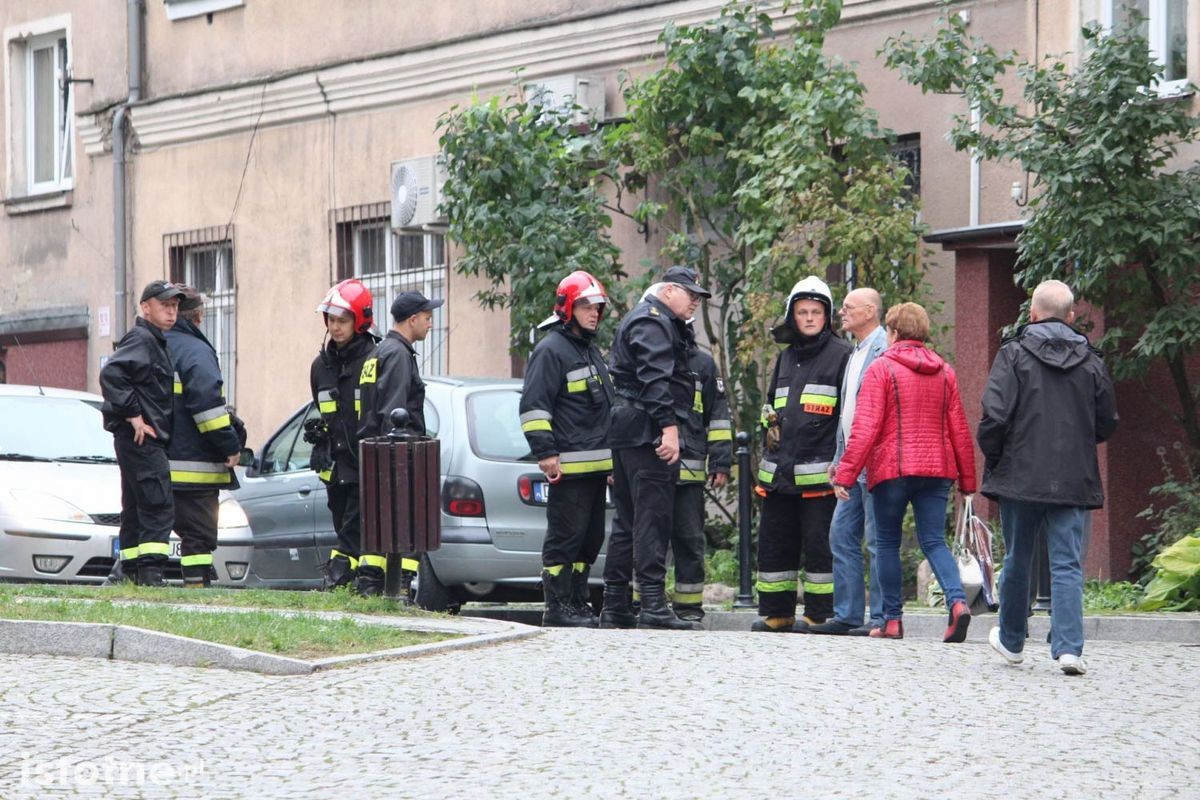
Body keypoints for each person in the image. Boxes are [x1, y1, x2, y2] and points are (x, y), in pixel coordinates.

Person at [979, 280, 1118, 675]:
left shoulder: (1013, 355)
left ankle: (1011, 641)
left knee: (1017, 557)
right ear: (1071, 316)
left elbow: (994, 416)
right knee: (1068, 563)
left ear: (1032, 313)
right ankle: (1069, 648)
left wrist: (997, 455)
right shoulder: (1092, 361)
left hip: (1020, 475)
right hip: (1073, 476)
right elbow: (1106, 421)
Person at [832, 302, 977, 642]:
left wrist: (846, 476)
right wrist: (968, 482)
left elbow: (865, 428)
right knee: (933, 540)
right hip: (937, 471)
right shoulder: (945, 371)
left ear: (893, 333)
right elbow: (959, 429)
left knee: (886, 543)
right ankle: (957, 603)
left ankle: (891, 621)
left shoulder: (881, 369)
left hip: (892, 470)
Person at [605, 265, 711, 630]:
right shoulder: (654, 321)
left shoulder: (652, 318)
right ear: (668, 292)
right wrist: (669, 428)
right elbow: (655, 378)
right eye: (690, 295)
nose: (695, 303)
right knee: (652, 519)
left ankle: (615, 605)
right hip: (647, 430)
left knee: (628, 521)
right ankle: (652, 605)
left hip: (630, 427)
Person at [752, 276, 851, 633]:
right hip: (780, 474)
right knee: (775, 544)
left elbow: (847, 414)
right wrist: (770, 425)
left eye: (816, 312)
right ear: (792, 316)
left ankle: (819, 615)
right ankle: (776, 614)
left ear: (827, 317)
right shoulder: (785, 358)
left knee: (820, 548)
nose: (809, 318)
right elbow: (770, 407)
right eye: (802, 312)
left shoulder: (843, 356)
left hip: (820, 475)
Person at [519, 271, 615, 627]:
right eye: (587, 306)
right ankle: (556, 606)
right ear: (568, 308)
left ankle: (576, 602)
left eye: (598, 307)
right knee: (565, 538)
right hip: (568, 468)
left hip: (594, 468)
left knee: (588, 540)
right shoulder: (550, 351)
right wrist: (546, 453)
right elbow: (533, 409)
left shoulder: (589, 351)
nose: (594, 313)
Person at [810, 288, 888, 636]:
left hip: (875, 464)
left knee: (876, 539)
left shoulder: (884, 349)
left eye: (848, 308)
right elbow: (848, 412)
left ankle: (884, 617)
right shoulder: (855, 351)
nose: (841, 313)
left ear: (870, 311)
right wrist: (839, 459)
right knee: (841, 535)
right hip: (851, 463)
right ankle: (848, 614)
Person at [357, 289, 445, 598]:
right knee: (403, 526)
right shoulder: (397, 355)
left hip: (375, 456)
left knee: (382, 527)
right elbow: (393, 413)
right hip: (395, 458)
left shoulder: (379, 352)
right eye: (428, 318)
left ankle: (374, 587)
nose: (430, 325)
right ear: (412, 319)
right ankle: (397, 591)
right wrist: (399, 459)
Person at [99, 280, 187, 587]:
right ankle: (151, 574)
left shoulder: (154, 340)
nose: (172, 311)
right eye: (165, 305)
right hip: (142, 439)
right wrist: (134, 415)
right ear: (145, 307)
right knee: (158, 504)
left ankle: (132, 570)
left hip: (138, 439)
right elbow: (112, 373)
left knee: (136, 507)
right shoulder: (142, 339)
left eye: (175, 306)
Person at [165, 286, 244, 588]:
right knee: (197, 538)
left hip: (155, 464)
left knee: (151, 534)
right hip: (194, 470)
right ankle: (196, 594)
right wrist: (230, 445)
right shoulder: (196, 351)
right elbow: (208, 409)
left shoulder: (153, 344)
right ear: (198, 316)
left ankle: (136, 586)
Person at [309, 279, 379, 592]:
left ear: (359, 321)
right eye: (332, 321)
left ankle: (339, 580)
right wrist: (320, 434)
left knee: (354, 530)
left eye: (343, 321)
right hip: (335, 466)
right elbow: (323, 408)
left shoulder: (375, 360)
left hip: (365, 464)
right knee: (343, 526)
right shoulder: (320, 367)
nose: (336, 328)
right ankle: (350, 586)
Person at [670, 317, 731, 623]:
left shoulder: (703, 366)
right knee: (646, 540)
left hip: (690, 471)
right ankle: (644, 604)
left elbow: (718, 417)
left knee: (690, 540)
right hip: (650, 469)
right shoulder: (646, 359)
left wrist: (720, 462)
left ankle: (688, 608)